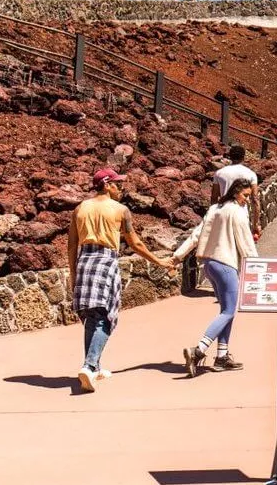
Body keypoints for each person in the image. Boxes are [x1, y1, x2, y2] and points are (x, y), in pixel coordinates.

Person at [68, 168, 173, 392]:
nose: (120, 188)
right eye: (117, 184)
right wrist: (160, 261)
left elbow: (71, 245)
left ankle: (94, 369)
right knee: (105, 317)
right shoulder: (121, 210)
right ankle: (88, 366)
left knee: (91, 316)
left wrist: (73, 274)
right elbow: (135, 243)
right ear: (106, 185)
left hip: (85, 260)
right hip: (105, 262)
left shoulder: (80, 209)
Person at [172, 178, 258, 376]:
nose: (246, 200)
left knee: (225, 311)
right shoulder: (236, 212)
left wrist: (179, 255)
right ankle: (198, 351)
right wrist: (257, 267)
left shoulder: (215, 208)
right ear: (236, 192)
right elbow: (246, 243)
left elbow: (196, 235)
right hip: (226, 263)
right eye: (245, 195)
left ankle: (222, 355)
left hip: (209, 264)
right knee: (228, 311)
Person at [212, 144, 260, 239]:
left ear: (230, 156)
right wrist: (255, 224)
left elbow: (214, 198)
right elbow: (255, 199)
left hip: (224, 213)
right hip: (241, 213)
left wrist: (213, 216)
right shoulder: (250, 174)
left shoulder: (219, 173)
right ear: (243, 157)